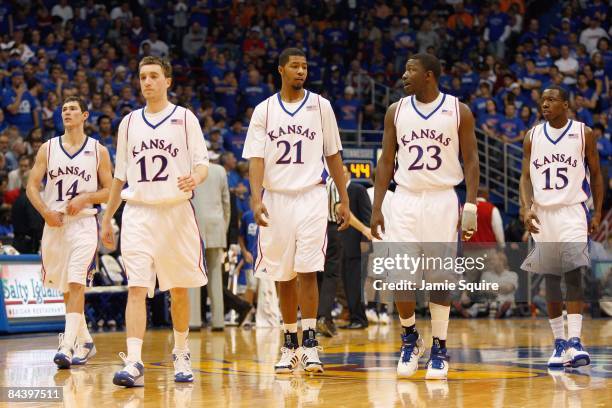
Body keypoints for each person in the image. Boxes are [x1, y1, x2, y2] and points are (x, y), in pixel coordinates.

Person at [100, 56, 210, 387]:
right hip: (138, 213)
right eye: (142, 77)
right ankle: (133, 361)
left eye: (153, 76)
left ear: (168, 81)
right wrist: (107, 218)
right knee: (137, 288)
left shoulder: (185, 118)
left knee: (178, 290)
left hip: (176, 211)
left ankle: (181, 352)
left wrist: (195, 178)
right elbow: (120, 177)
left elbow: (203, 164)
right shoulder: (129, 123)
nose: (147, 82)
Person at [371, 53, 479, 380]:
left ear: (429, 75)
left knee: (439, 277)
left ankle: (440, 347)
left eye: (411, 70)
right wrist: (377, 206)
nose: (404, 75)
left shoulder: (458, 110)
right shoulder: (396, 111)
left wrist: (471, 205)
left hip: (442, 200)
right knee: (400, 274)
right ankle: (409, 338)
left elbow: (472, 161)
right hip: (403, 198)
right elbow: (386, 162)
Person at [242, 48, 350, 374]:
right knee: (282, 274)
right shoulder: (264, 111)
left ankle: (311, 342)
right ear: (281, 70)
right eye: (294, 66)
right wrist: (255, 197)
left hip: (311, 196)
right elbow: (256, 159)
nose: (301, 71)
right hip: (275, 198)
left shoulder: (321, 106)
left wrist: (343, 198)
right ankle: (290, 343)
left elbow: (333, 155)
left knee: (308, 269)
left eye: (304, 66)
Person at [519, 85, 603, 369]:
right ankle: (558, 343)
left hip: (572, 211)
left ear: (566, 105)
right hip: (543, 214)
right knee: (552, 279)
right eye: (543, 100)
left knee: (573, 273)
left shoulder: (583, 133)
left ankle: (576, 341)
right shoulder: (532, 136)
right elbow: (525, 177)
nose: (545, 104)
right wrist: (526, 207)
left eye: (552, 100)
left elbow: (596, 173)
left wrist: (598, 212)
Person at [26, 96, 113, 369]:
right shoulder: (47, 149)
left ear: (85, 115)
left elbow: (110, 191)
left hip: (84, 224)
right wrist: (44, 212)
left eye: (73, 108)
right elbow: (31, 186)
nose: (67, 112)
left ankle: (66, 344)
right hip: (55, 224)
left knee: (76, 282)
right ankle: (85, 341)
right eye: (64, 109)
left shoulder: (98, 150)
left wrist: (86, 198)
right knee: (65, 287)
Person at [192, 160, 230, 331]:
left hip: (193, 225)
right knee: (216, 276)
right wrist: (224, 227)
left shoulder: (188, 169)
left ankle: (193, 321)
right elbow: (226, 203)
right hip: (216, 226)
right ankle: (218, 321)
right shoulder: (220, 170)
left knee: (192, 275)